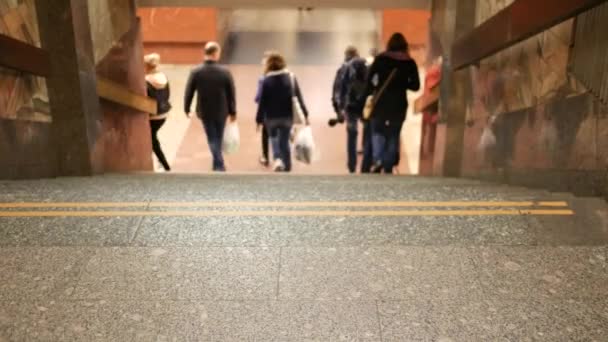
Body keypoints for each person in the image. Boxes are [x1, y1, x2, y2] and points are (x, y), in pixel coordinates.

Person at [365, 33, 420, 174]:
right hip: (398, 104)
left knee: (377, 131)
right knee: (393, 134)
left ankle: (377, 159)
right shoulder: (409, 62)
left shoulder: (380, 59)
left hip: (380, 102)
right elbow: (415, 86)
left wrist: (373, 89)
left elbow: (369, 80)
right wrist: (402, 82)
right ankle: (388, 165)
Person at [184, 42, 237, 172]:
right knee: (217, 136)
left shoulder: (196, 71)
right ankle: (219, 164)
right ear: (215, 53)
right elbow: (231, 92)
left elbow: (189, 91)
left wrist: (186, 107)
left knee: (212, 137)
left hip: (204, 110)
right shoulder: (225, 72)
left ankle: (217, 163)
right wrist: (233, 111)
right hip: (221, 110)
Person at [256, 52, 309, 172]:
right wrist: (305, 115)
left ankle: (277, 159)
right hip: (287, 116)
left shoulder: (267, 80)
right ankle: (288, 166)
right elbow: (299, 98)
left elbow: (262, 103)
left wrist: (258, 120)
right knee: (284, 140)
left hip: (271, 117)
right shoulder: (291, 78)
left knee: (273, 138)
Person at [339, 54, 368, 173]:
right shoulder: (368, 70)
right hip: (365, 106)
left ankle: (352, 165)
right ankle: (366, 164)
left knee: (352, 136)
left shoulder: (347, 70)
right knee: (368, 132)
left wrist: (341, 107)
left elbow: (342, 89)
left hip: (351, 107)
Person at [144, 53, 172, 172]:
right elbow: (168, 94)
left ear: (147, 66)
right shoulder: (163, 77)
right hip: (164, 113)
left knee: (152, 139)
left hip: (152, 115)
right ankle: (162, 163)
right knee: (153, 138)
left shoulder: (146, 81)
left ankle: (165, 165)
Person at [330, 46, 358, 126]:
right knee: (353, 125)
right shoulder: (359, 66)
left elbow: (337, 87)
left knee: (352, 127)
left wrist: (336, 104)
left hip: (346, 101)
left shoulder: (343, 68)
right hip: (354, 101)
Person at [255, 51, 274, 167]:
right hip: (283, 113)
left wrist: (259, 119)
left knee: (265, 134)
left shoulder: (263, 79)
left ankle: (266, 157)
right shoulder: (287, 76)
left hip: (268, 113)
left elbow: (259, 98)